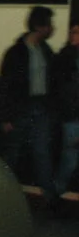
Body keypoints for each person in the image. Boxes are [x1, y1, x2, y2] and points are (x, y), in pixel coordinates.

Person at [0, 5, 58, 210]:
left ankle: (50, 199)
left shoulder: (46, 51)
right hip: (20, 109)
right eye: (49, 24)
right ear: (40, 26)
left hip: (41, 107)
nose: (52, 28)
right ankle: (1, 194)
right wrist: (6, 117)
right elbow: (6, 85)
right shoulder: (16, 53)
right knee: (12, 153)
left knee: (42, 153)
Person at [52, 22, 79, 195]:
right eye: (73, 32)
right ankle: (56, 194)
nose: (75, 36)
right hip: (73, 115)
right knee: (70, 158)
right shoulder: (65, 57)